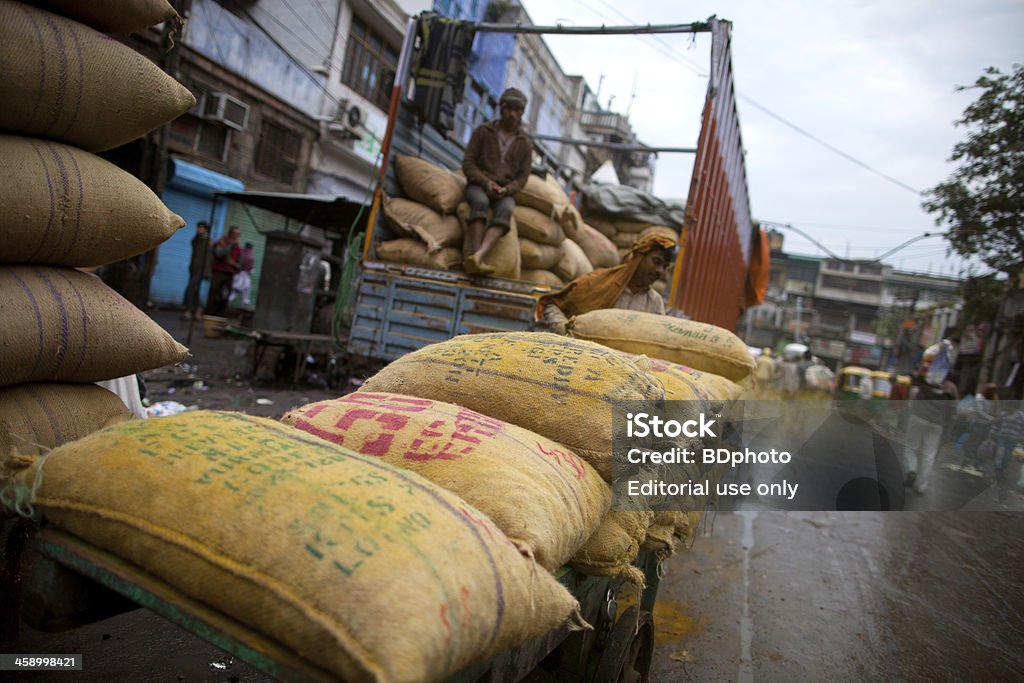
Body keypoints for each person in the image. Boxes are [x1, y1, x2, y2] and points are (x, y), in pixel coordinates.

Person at [533, 233, 677, 334]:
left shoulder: (655, 303)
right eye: (656, 262)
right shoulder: (597, 282)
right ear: (639, 257)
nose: (659, 271)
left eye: (664, 266)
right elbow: (553, 305)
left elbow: (656, 338)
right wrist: (564, 330)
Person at [462, 87, 533, 275]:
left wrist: (507, 189)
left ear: (521, 113)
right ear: (501, 109)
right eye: (509, 109)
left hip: (504, 192)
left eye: (517, 110)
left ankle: (479, 256)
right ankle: (475, 254)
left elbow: (523, 177)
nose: (512, 114)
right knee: (480, 202)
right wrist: (485, 182)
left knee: (506, 209)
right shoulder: (483, 132)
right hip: (479, 186)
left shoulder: (524, 143)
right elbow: (468, 163)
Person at [900, 342, 959, 494]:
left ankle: (911, 470)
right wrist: (948, 432)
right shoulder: (951, 388)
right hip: (937, 424)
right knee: (928, 455)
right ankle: (920, 486)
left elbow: (911, 376)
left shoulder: (924, 379)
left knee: (910, 447)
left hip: (918, 417)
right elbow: (952, 413)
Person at [207, 226, 241, 317]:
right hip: (219, 272)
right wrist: (231, 245)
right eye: (234, 233)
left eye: (238, 234)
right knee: (214, 293)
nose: (236, 236)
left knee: (225, 296)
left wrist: (233, 263)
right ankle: (209, 314)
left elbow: (240, 264)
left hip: (229, 274)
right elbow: (219, 254)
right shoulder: (222, 242)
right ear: (230, 233)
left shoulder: (238, 247)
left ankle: (220, 316)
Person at [183, 221, 212, 320]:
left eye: (201, 228)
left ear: (205, 229)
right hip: (193, 268)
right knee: (195, 291)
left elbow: (208, 258)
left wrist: (207, 272)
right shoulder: (196, 240)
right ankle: (198, 309)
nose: (198, 229)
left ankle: (189, 310)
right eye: (198, 227)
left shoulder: (207, 242)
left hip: (201, 270)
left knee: (190, 289)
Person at [230, 242, 256, 308]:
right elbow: (251, 268)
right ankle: (244, 302)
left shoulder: (242, 252)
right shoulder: (250, 256)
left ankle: (244, 301)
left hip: (238, 274)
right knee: (240, 289)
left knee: (238, 289)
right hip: (243, 274)